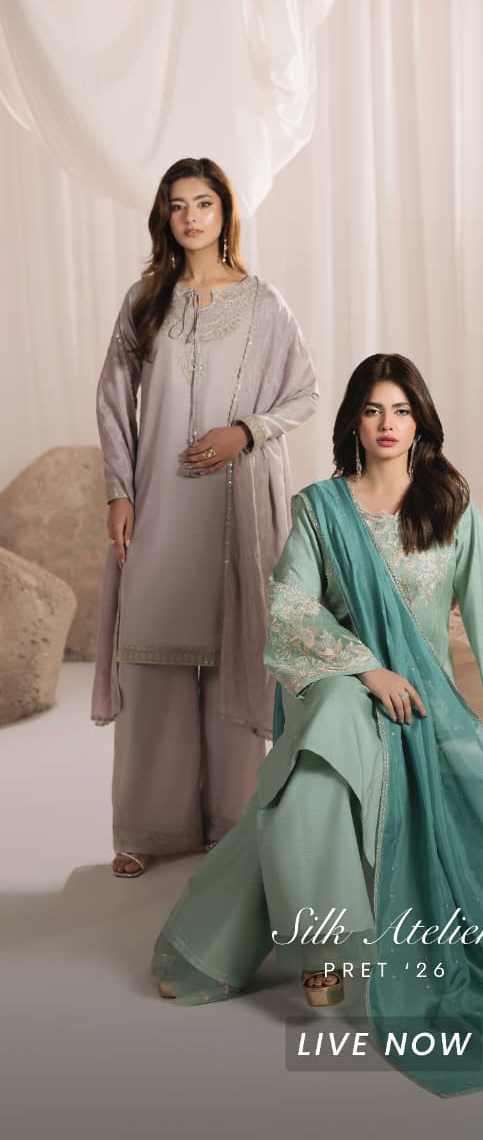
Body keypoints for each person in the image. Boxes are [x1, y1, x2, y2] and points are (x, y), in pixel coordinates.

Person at [151, 353, 483, 1097]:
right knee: (324, 739)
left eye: (400, 410)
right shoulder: (320, 509)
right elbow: (290, 607)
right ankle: (321, 953)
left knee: (305, 783)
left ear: (421, 422)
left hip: (421, 698)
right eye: (373, 410)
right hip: (341, 682)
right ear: (354, 424)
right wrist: (367, 669)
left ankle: (258, 950)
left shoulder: (448, 506)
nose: (387, 424)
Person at [91, 156, 319, 879]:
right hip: (158, 501)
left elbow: (305, 392)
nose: (190, 217)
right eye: (178, 205)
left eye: (204, 203)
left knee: (232, 660)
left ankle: (233, 823)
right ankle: (147, 827)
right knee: (151, 656)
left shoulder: (264, 304)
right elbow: (113, 398)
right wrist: (119, 490)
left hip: (234, 507)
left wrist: (245, 432)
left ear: (225, 213)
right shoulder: (144, 300)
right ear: (165, 216)